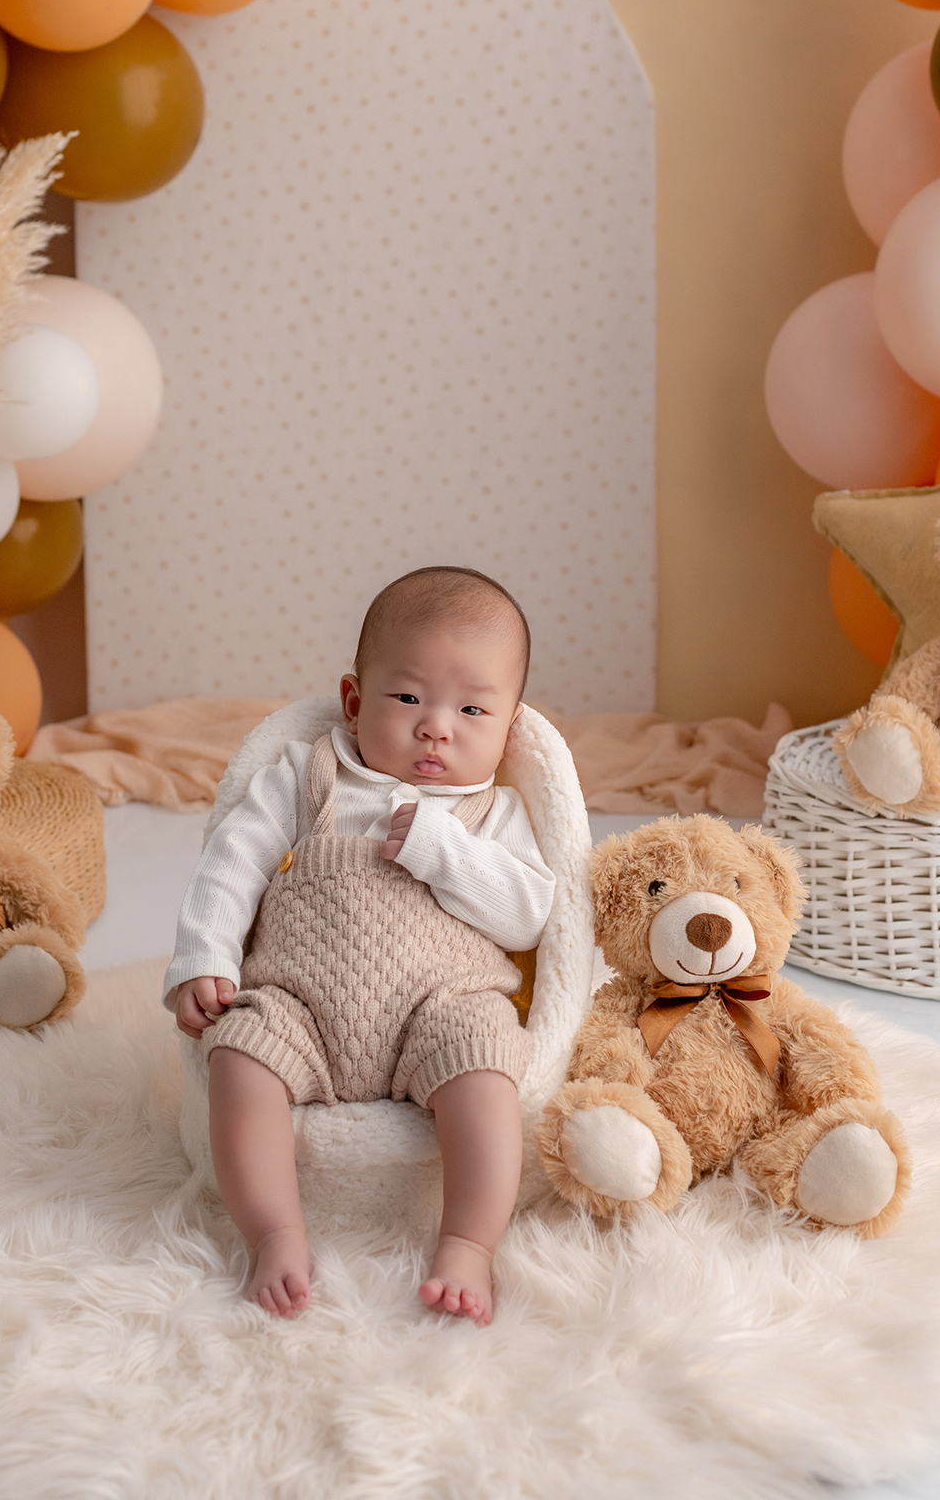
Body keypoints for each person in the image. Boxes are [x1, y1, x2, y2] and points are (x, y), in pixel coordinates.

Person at [165, 566, 555, 1326]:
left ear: (508, 729)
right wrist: (204, 958)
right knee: (238, 1058)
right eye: (408, 698)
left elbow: (531, 916)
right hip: (299, 1003)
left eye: (473, 708)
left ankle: (470, 1244)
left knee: (488, 1072)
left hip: (439, 1010)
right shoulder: (309, 776)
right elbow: (232, 862)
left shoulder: (492, 811)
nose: (437, 725)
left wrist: (445, 851)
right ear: (354, 701)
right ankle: (274, 1235)